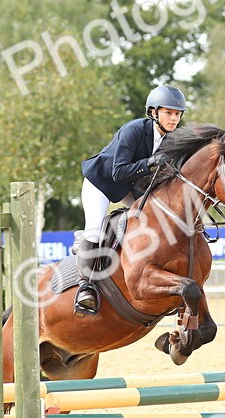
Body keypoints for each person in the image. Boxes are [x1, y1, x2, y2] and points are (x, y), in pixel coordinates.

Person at [72, 84, 187, 316]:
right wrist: (152, 162)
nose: (174, 118)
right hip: (102, 182)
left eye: (177, 114)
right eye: (168, 113)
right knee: (94, 229)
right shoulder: (133, 130)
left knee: (157, 221)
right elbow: (119, 172)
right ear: (154, 112)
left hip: (130, 187)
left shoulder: (172, 140)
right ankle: (86, 287)